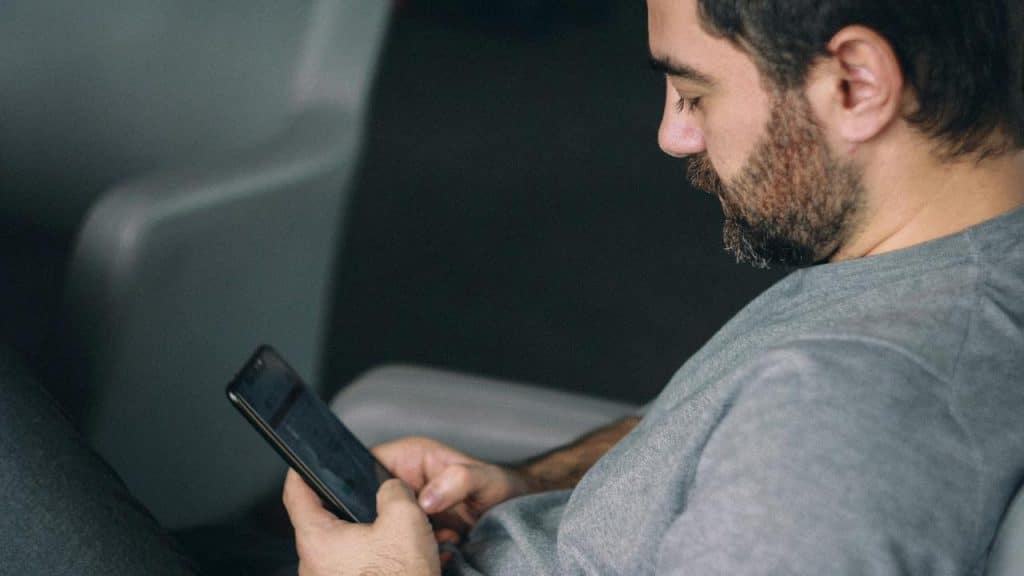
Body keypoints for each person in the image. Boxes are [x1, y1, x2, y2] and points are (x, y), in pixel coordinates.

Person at [2, 0, 1021, 574]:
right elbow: (722, 443)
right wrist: (533, 483)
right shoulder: (942, 258)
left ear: (854, 83)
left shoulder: (850, 420)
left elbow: (807, 447)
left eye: (693, 86)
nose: (669, 130)